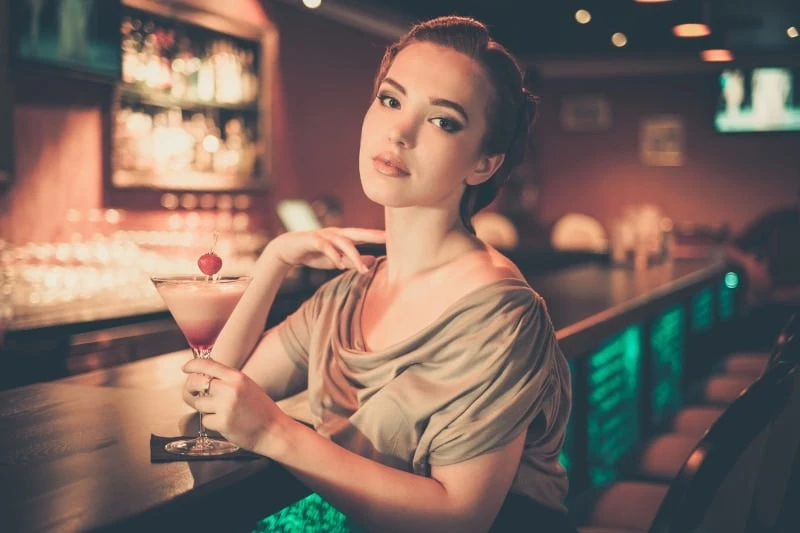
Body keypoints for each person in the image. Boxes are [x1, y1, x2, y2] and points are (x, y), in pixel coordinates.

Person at [182, 16, 575, 532]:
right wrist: (275, 260)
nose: (400, 131)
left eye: (443, 120)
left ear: (484, 163)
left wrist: (275, 433)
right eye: (391, 100)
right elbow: (211, 392)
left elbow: (459, 520)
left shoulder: (503, 315)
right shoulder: (347, 293)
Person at [726, 187, 800, 348]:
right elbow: (732, 247)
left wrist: (779, 296)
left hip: (790, 309)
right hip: (769, 308)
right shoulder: (780, 220)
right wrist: (749, 264)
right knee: (729, 336)